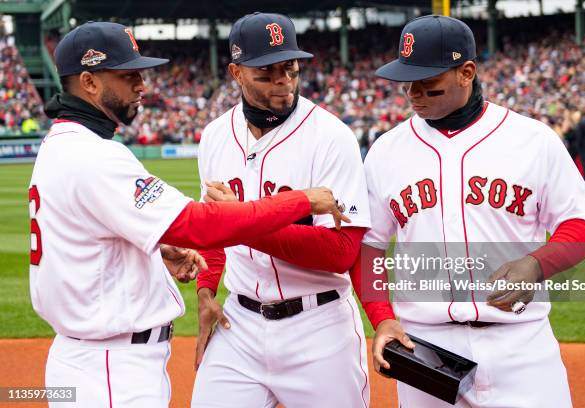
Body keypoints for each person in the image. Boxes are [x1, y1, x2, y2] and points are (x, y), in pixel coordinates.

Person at [29, 21, 347, 408]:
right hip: (111, 369)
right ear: (90, 83)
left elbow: (85, 233)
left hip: (91, 360)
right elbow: (198, 225)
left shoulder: (60, 145)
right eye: (129, 76)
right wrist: (300, 201)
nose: (142, 86)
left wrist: (157, 250)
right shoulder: (95, 155)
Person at [363, 15, 585, 408]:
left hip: (520, 347)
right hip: (427, 348)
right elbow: (370, 248)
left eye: (428, 82)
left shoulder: (532, 140)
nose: (414, 93)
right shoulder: (386, 151)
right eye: (408, 81)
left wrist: (539, 264)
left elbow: (582, 226)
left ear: (466, 72)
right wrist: (381, 315)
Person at [190, 12, 407, 408]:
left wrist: (241, 220)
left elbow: (341, 251)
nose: (283, 81)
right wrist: (206, 292)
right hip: (238, 324)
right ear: (236, 73)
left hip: (318, 326)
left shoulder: (330, 137)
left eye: (290, 68)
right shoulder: (215, 136)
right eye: (266, 73)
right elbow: (212, 233)